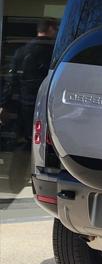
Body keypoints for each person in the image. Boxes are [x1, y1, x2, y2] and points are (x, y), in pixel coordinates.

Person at [0, 18, 58, 192]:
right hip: (47, 106)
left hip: (24, 107)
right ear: (50, 29)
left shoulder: (22, 51)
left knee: (23, 145)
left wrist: (6, 105)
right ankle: (41, 183)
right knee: (47, 148)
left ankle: (16, 182)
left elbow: (11, 82)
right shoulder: (54, 52)